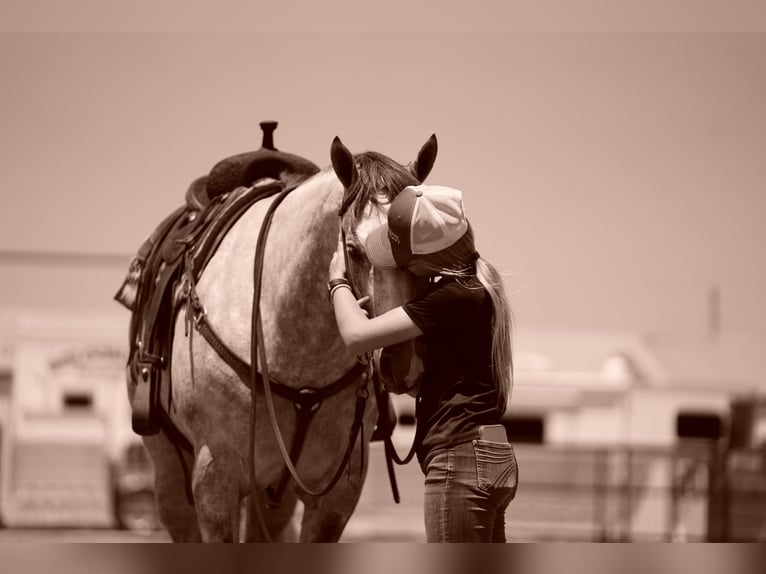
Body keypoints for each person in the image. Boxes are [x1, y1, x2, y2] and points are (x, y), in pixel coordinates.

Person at [328, 184, 518, 543]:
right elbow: (420, 381)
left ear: (422, 264)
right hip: (490, 453)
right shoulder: (475, 288)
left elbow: (355, 337)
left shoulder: (450, 297)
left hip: (459, 461)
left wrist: (338, 282)